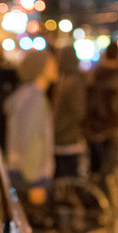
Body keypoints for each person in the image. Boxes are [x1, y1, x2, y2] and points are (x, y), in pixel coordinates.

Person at [5, 49, 58, 227]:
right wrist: (36, 182)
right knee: (32, 226)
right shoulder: (34, 98)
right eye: (51, 62)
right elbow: (31, 141)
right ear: (40, 68)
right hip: (30, 176)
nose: (55, 66)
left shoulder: (25, 95)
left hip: (20, 172)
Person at [84, 41, 118, 185]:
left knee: (95, 168)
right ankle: (104, 201)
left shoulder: (93, 75)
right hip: (112, 126)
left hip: (92, 127)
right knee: (108, 170)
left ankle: (94, 200)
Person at [52, 45, 86, 178]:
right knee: (70, 179)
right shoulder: (74, 82)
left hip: (57, 137)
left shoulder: (60, 80)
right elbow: (79, 112)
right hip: (69, 139)